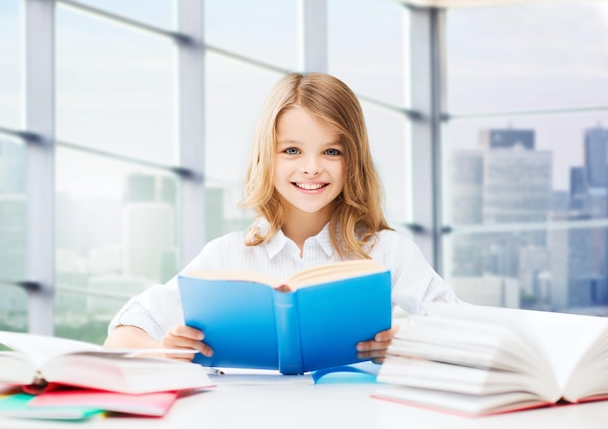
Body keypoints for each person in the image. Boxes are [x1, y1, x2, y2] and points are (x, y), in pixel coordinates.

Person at [105, 72, 458, 363]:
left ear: (354, 161)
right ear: (267, 157)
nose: (312, 168)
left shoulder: (388, 252)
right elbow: (124, 333)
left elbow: (467, 328)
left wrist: (414, 343)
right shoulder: (226, 256)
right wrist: (165, 354)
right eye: (292, 150)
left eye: (332, 151)